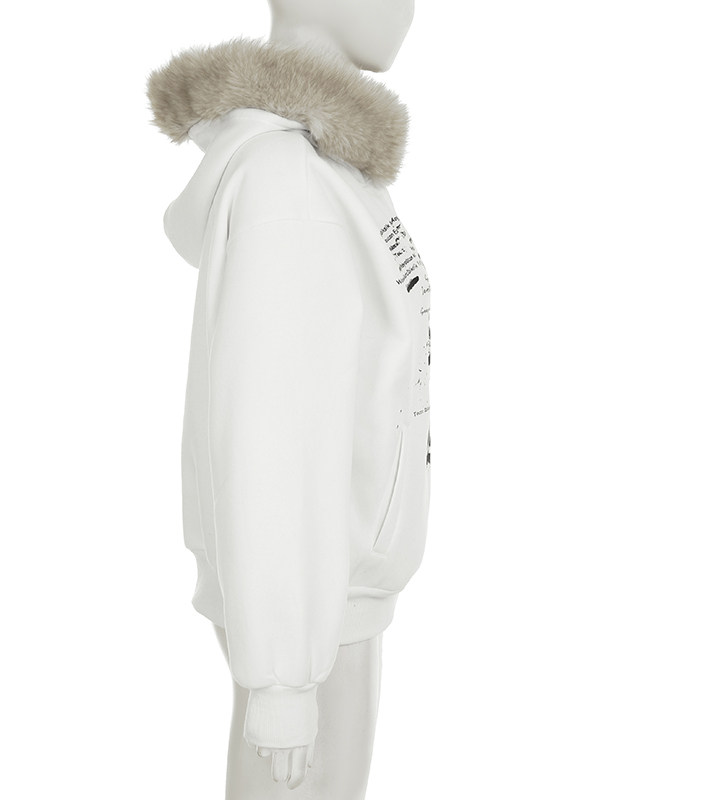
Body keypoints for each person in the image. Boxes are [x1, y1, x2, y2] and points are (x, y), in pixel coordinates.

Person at [146, 1, 430, 795]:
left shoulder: (327, 170)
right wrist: (281, 675)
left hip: (329, 604)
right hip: (309, 616)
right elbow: (269, 430)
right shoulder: (289, 180)